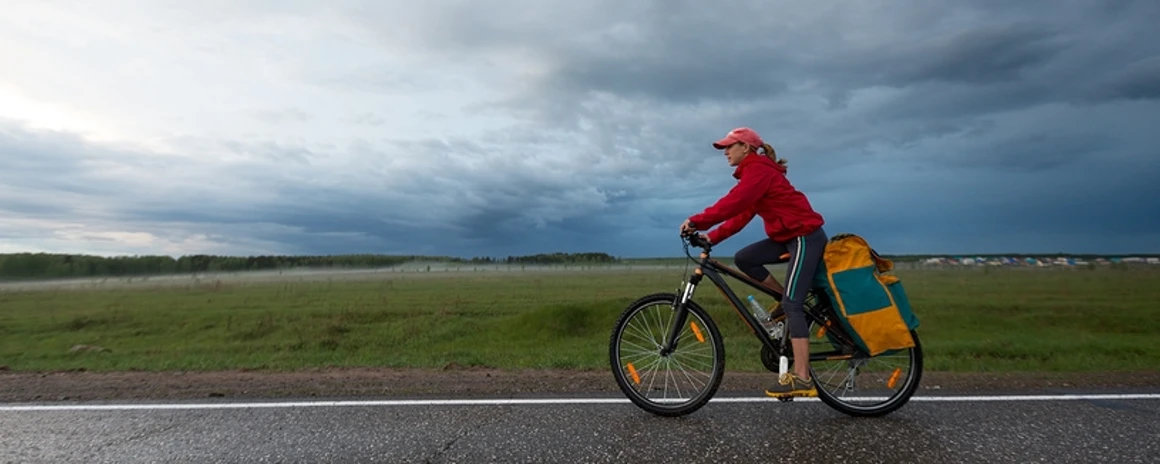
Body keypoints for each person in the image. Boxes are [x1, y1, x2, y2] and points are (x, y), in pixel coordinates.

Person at [679, 126, 828, 397]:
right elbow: (741, 215)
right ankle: (787, 305)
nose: (725, 151)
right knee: (745, 259)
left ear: (745, 147)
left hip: (804, 236)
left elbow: (733, 204)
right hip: (787, 237)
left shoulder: (758, 172)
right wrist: (711, 238)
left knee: (793, 303)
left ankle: (803, 377)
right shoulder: (754, 174)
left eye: (729, 146)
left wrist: (696, 220)